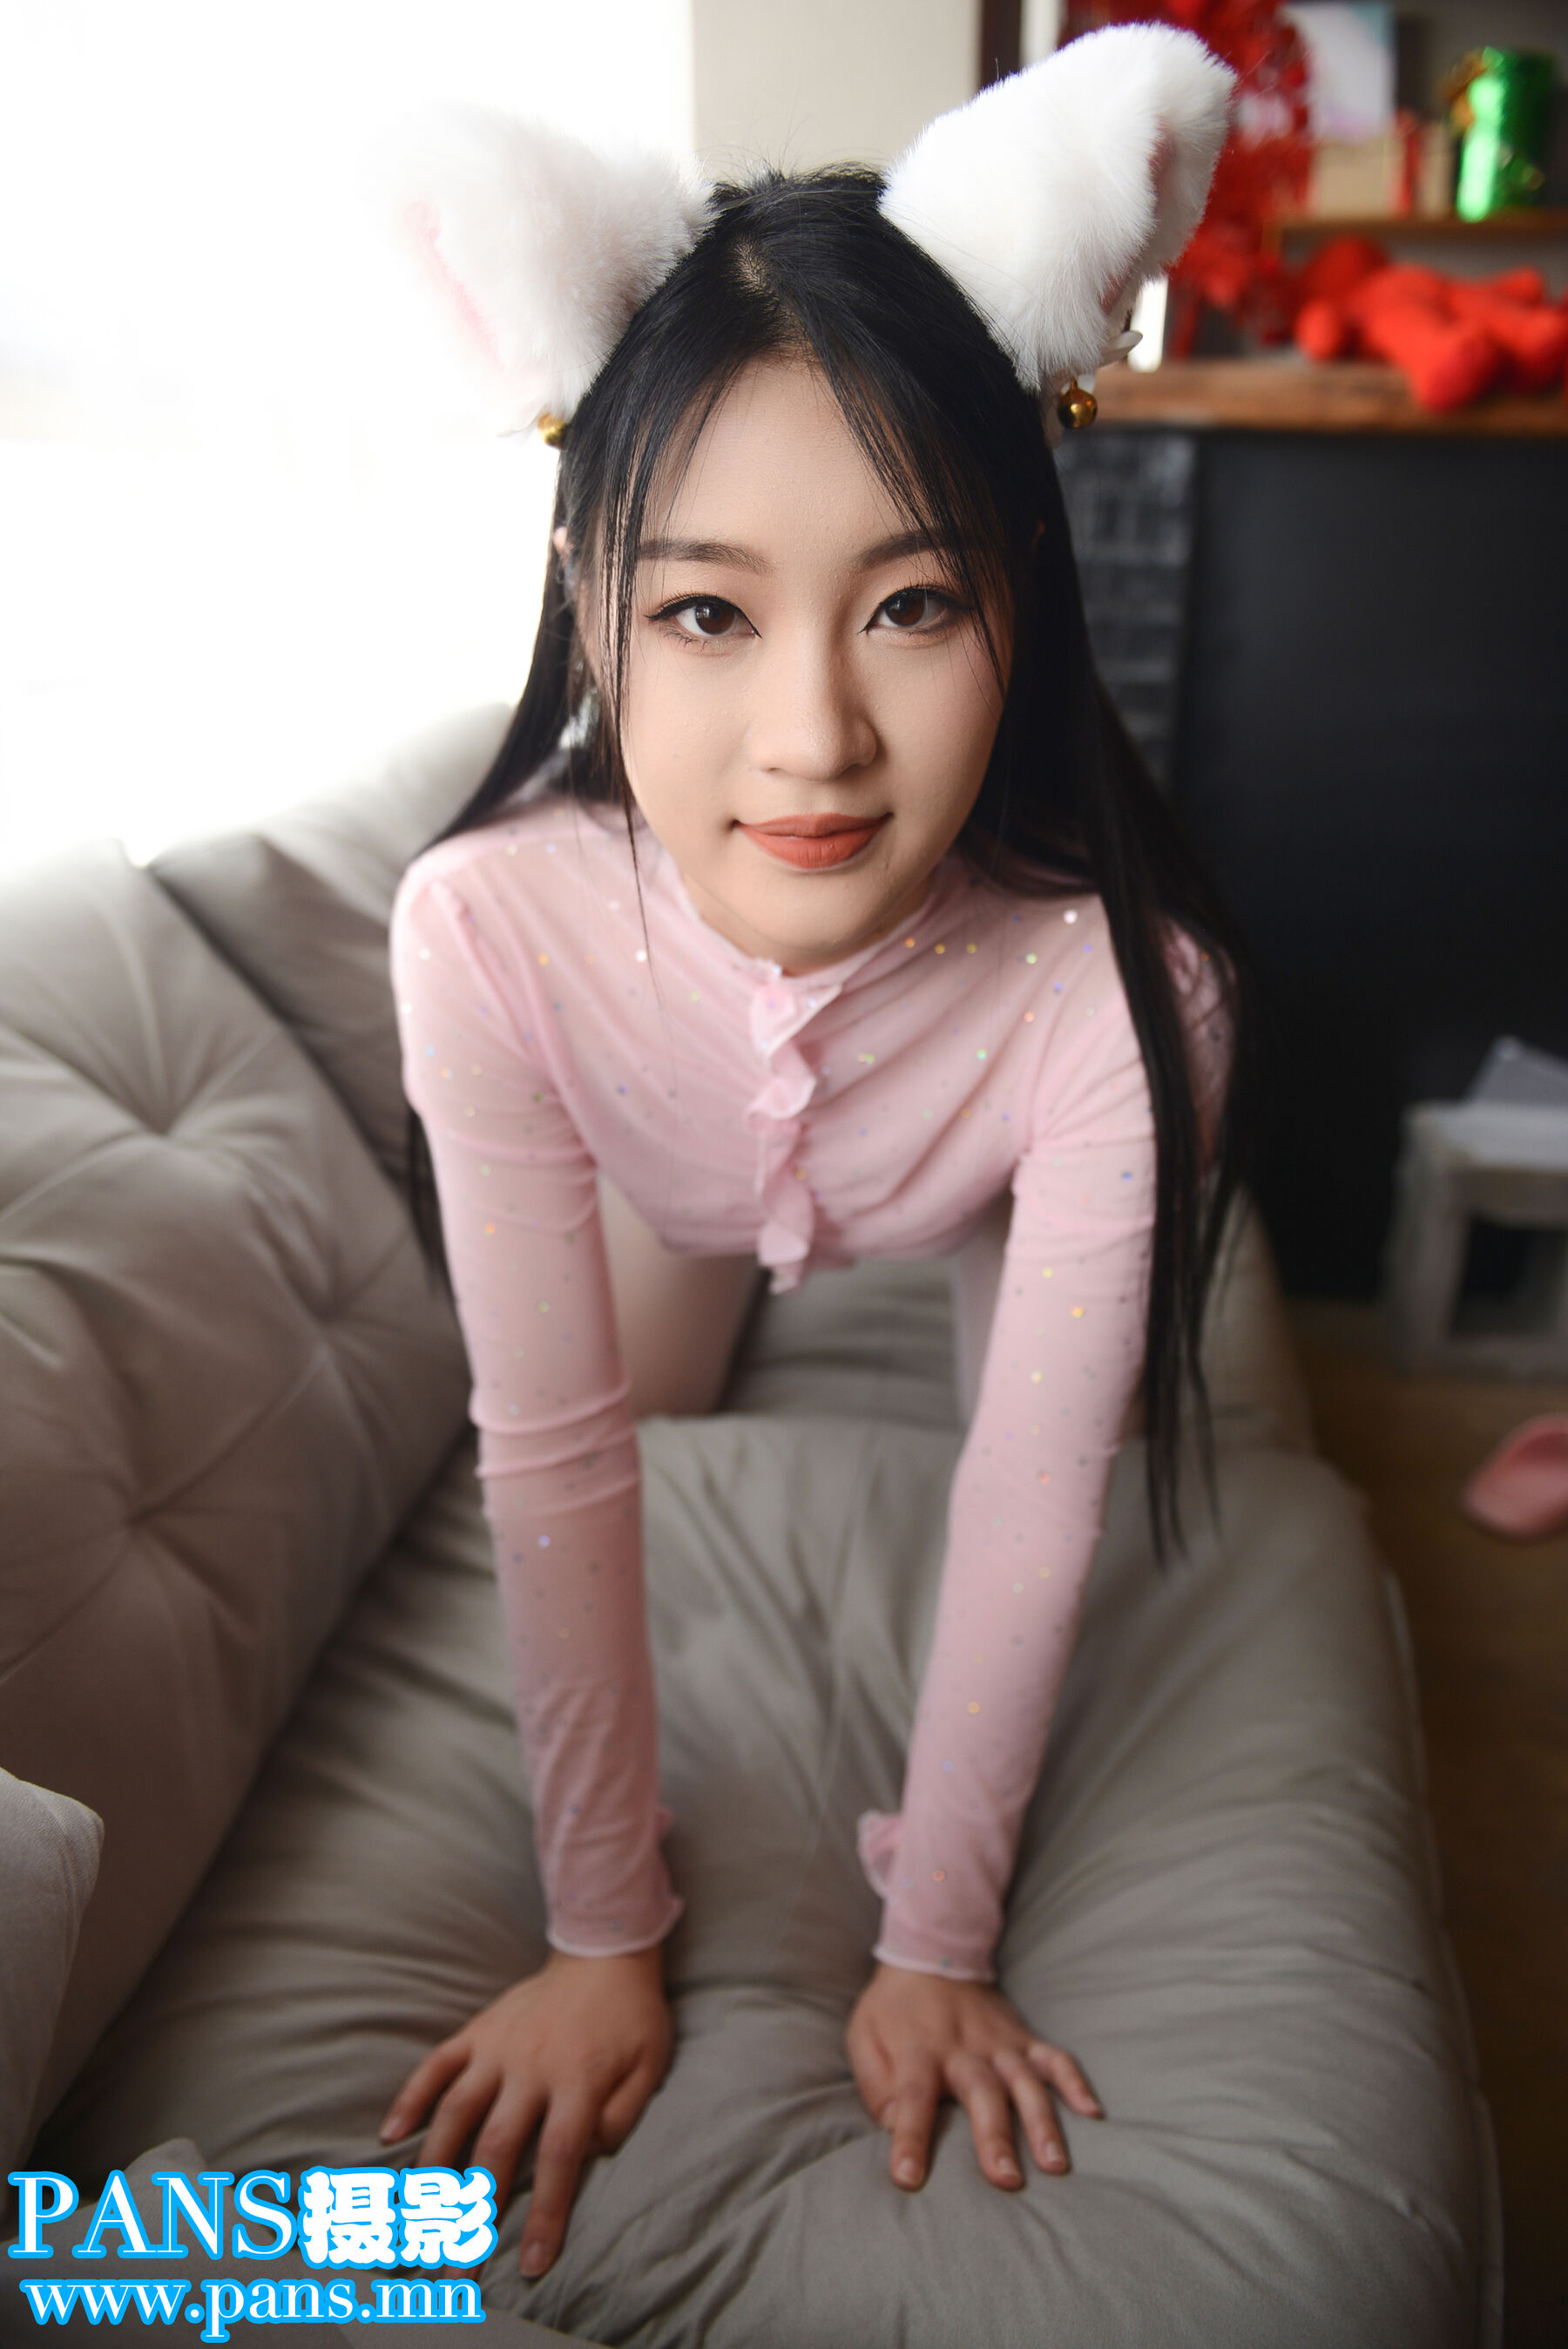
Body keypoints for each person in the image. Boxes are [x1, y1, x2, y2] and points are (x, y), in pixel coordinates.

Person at [381, 23, 1245, 2284]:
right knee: (658, 1380)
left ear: (1018, 601)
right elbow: (558, 1453)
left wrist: (934, 1941)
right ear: (590, 602)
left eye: (913, 605)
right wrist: (601, 1927)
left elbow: (1034, 1498)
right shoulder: (487, 930)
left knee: (1027, 1403)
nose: (813, 740)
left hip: (969, 1169)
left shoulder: (1122, 1002)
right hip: (675, 1186)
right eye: (706, 611)